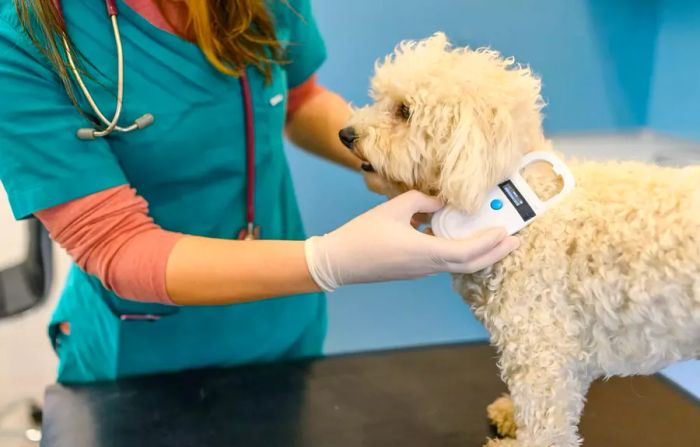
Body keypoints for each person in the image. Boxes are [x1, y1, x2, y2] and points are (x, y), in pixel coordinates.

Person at [0, 0, 519, 383]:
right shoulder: (24, 37)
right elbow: (114, 244)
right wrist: (329, 261)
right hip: (146, 356)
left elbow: (299, 99)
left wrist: (396, 158)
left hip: (286, 327)